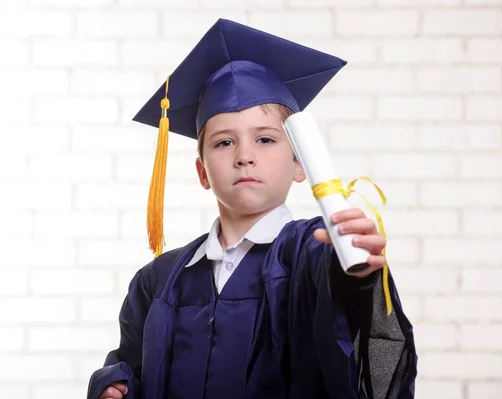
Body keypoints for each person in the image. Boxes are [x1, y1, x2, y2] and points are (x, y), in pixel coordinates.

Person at [87, 18, 417, 399]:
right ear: (203, 172)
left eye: (264, 139)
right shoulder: (158, 279)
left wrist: (356, 271)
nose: (244, 156)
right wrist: (116, 384)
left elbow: (351, 322)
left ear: (299, 164)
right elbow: (131, 362)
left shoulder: (312, 252)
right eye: (224, 143)